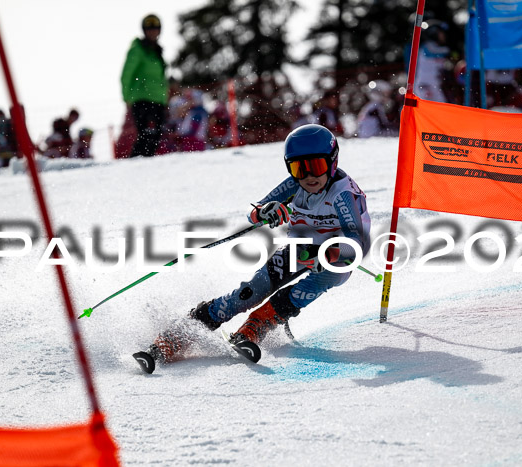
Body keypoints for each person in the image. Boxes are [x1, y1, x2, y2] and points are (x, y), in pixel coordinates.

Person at [133, 124, 371, 373]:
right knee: (250, 292)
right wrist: (266, 211)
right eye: (299, 168)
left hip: (335, 261)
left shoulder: (344, 194)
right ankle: (175, 336)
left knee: (303, 291)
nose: (309, 176)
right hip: (299, 248)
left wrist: (329, 254)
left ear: (332, 162)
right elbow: (255, 213)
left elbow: (358, 244)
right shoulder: (296, 184)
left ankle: (254, 327)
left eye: (317, 167)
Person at [120, 14, 168, 157]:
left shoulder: (157, 51)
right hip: (141, 99)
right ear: (144, 30)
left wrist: (165, 99)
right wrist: (127, 98)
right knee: (146, 135)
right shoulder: (137, 49)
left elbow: (161, 78)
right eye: (149, 29)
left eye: (155, 28)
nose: (153, 31)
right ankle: (135, 165)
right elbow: (126, 75)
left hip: (158, 100)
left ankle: (146, 168)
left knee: (155, 137)